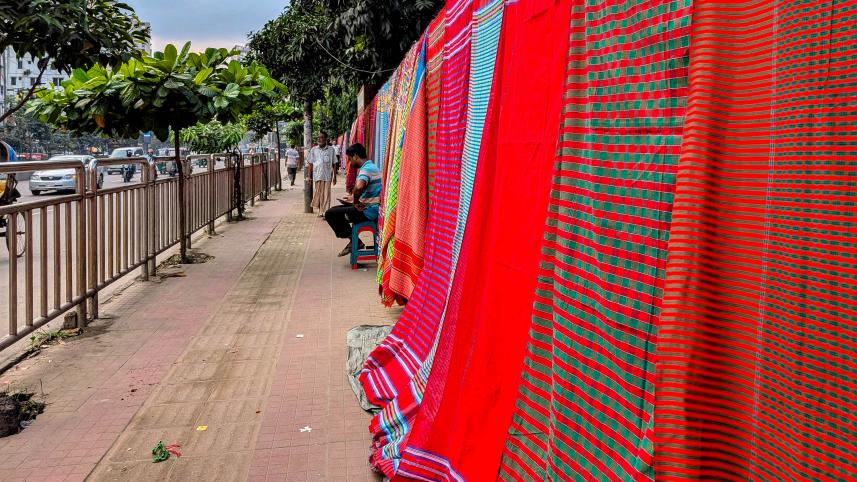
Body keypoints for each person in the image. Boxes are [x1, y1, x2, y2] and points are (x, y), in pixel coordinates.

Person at [324, 143, 381, 257]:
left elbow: (359, 187)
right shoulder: (371, 167)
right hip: (370, 207)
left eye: (350, 159)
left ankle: (354, 239)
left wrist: (355, 202)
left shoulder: (366, 169)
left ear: (355, 156)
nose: (350, 162)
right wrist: (354, 198)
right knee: (336, 210)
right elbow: (365, 190)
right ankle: (354, 239)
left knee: (330, 214)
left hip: (369, 211)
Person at [308, 132, 337, 216]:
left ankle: (326, 212)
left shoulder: (331, 150)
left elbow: (334, 163)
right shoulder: (314, 149)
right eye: (319, 137)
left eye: (322, 137)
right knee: (319, 194)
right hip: (317, 175)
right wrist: (309, 176)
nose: (319, 139)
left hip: (327, 175)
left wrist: (335, 177)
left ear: (326, 139)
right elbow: (310, 163)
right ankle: (321, 211)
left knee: (326, 194)